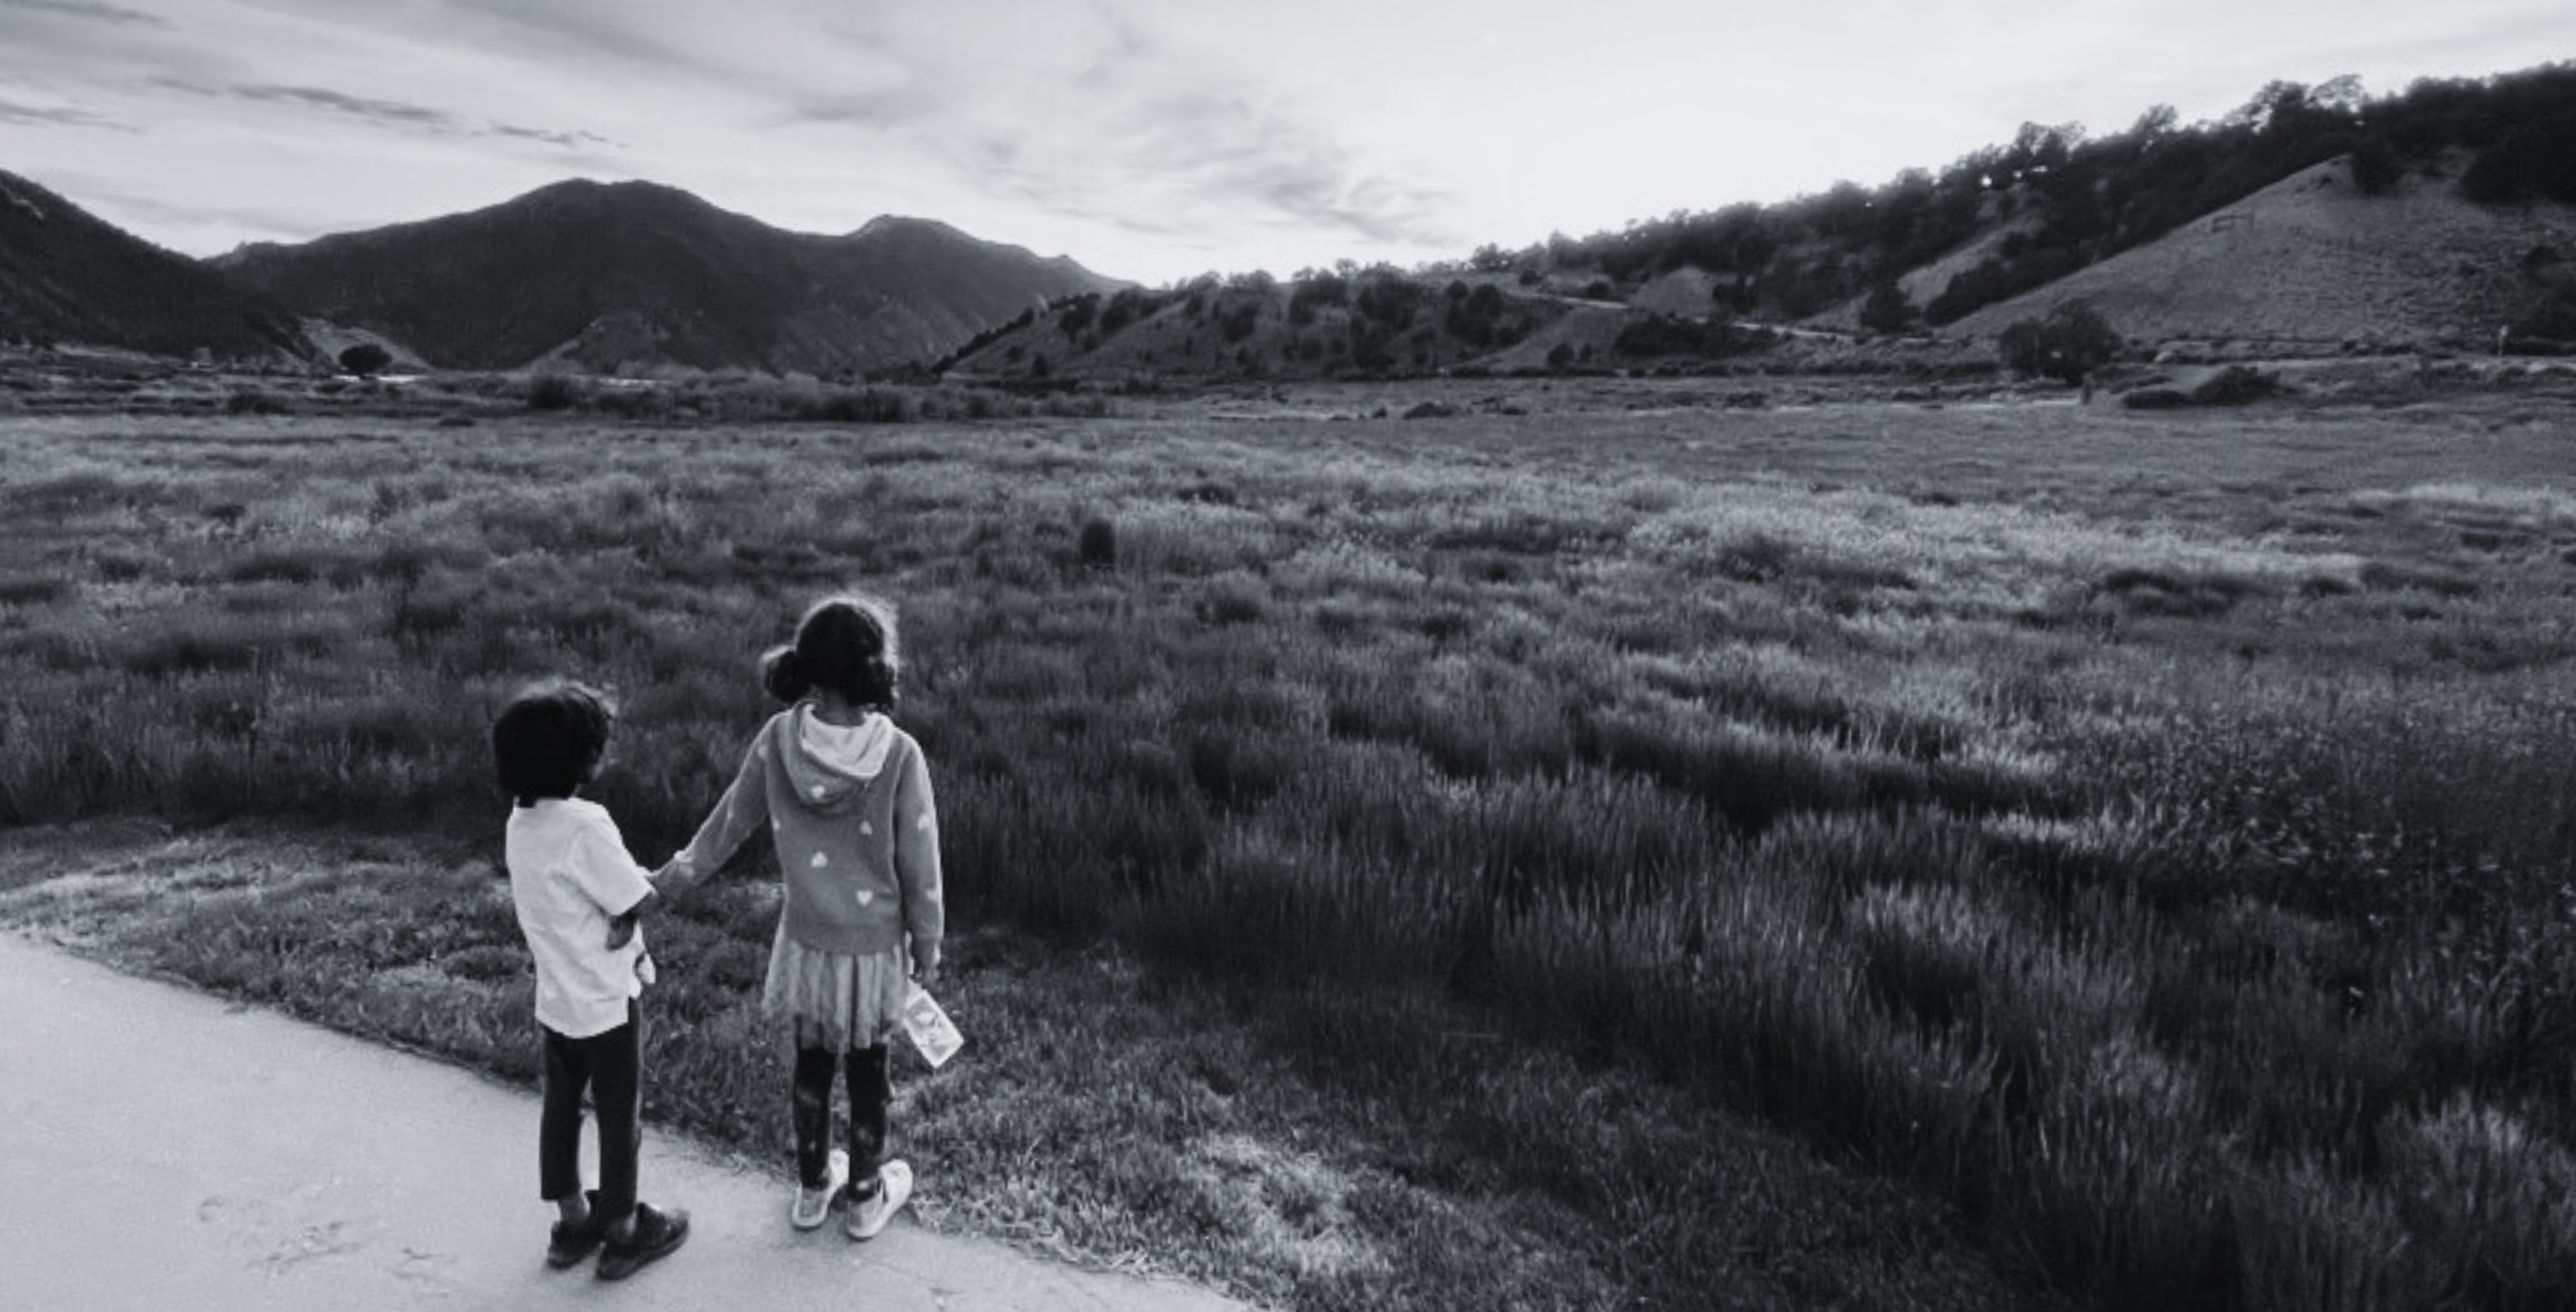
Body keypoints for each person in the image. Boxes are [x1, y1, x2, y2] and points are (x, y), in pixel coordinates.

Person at [660, 593, 945, 1240]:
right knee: (870, 1074)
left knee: (812, 1068)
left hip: (807, 944)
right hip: (874, 953)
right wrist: (928, 943)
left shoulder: (779, 739)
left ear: (806, 666)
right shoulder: (900, 754)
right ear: (876, 669)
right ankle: (867, 1195)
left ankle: (814, 1187)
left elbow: (729, 823)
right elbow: (921, 862)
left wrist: (672, 877)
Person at [493, 679, 690, 1280]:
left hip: (556, 1002)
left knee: (561, 1109)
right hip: (607, 1005)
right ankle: (626, 1228)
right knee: (618, 1116)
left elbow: (574, 891)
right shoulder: (587, 822)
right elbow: (636, 894)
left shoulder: (520, 824)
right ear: (584, 759)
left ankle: (573, 1217)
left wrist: (620, 905)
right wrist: (657, 885)